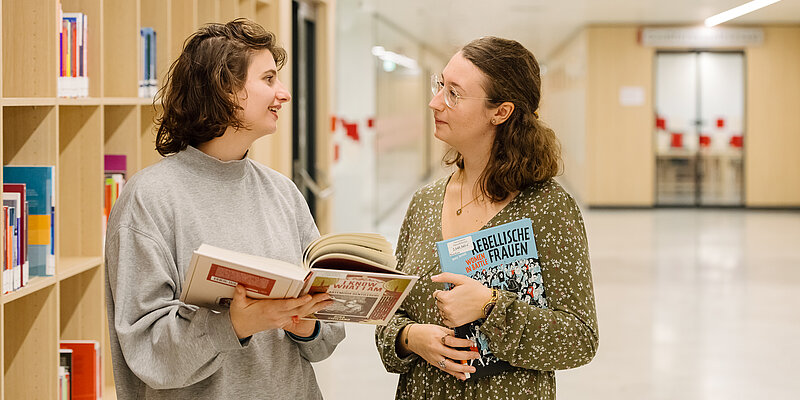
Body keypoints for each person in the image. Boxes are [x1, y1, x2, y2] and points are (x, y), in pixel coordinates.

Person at [105, 19, 344, 400]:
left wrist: (304, 323)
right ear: (225, 89)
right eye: (268, 79)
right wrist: (233, 324)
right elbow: (147, 352)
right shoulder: (148, 200)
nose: (282, 93)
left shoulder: (282, 192)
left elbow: (328, 335)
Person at [375, 36, 598, 399]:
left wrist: (491, 306)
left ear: (501, 111)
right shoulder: (425, 202)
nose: (435, 103)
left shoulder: (546, 207)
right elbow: (389, 319)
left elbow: (579, 339)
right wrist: (410, 338)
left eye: (454, 94)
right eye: (439, 85)